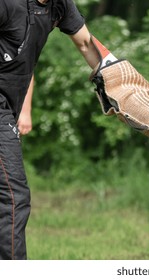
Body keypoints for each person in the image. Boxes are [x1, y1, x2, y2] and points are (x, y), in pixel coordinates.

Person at [0, 0, 100, 259]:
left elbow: (87, 43)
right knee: (13, 197)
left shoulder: (60, 5)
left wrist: (119, 79)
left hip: (10, 105)